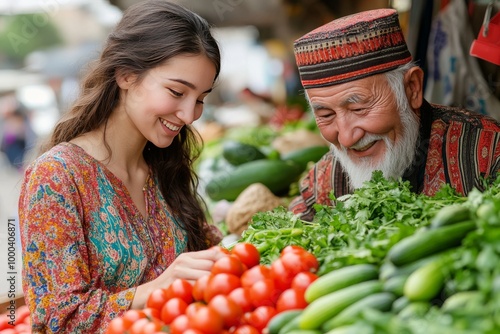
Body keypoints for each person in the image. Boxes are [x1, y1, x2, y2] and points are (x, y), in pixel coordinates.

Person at [18, 1, 226, 332]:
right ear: (127, 75)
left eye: (200, 99)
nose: (189, 115)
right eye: (176, 91)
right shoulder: (57, 176)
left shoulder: (166, 165)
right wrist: (157, 288)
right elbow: (56, 320)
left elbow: (213, 249)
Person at [289, 8, 500, 221]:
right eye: (326, 115)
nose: (346, 137)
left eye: (358, 108)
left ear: (412, 88)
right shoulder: (326, 181)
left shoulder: (488, 151)